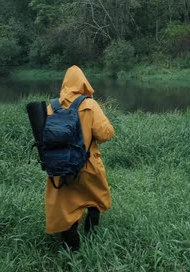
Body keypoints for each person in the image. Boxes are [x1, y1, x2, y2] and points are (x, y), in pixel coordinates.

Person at [45, 65, 115, 251]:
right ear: (84, 83)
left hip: (60, 167)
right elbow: (106, 134)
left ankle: (71, 246)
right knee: (96, 198)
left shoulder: (51, 107)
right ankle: (92, 235)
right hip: (88, 164)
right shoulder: (90, 105)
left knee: (65, 205)